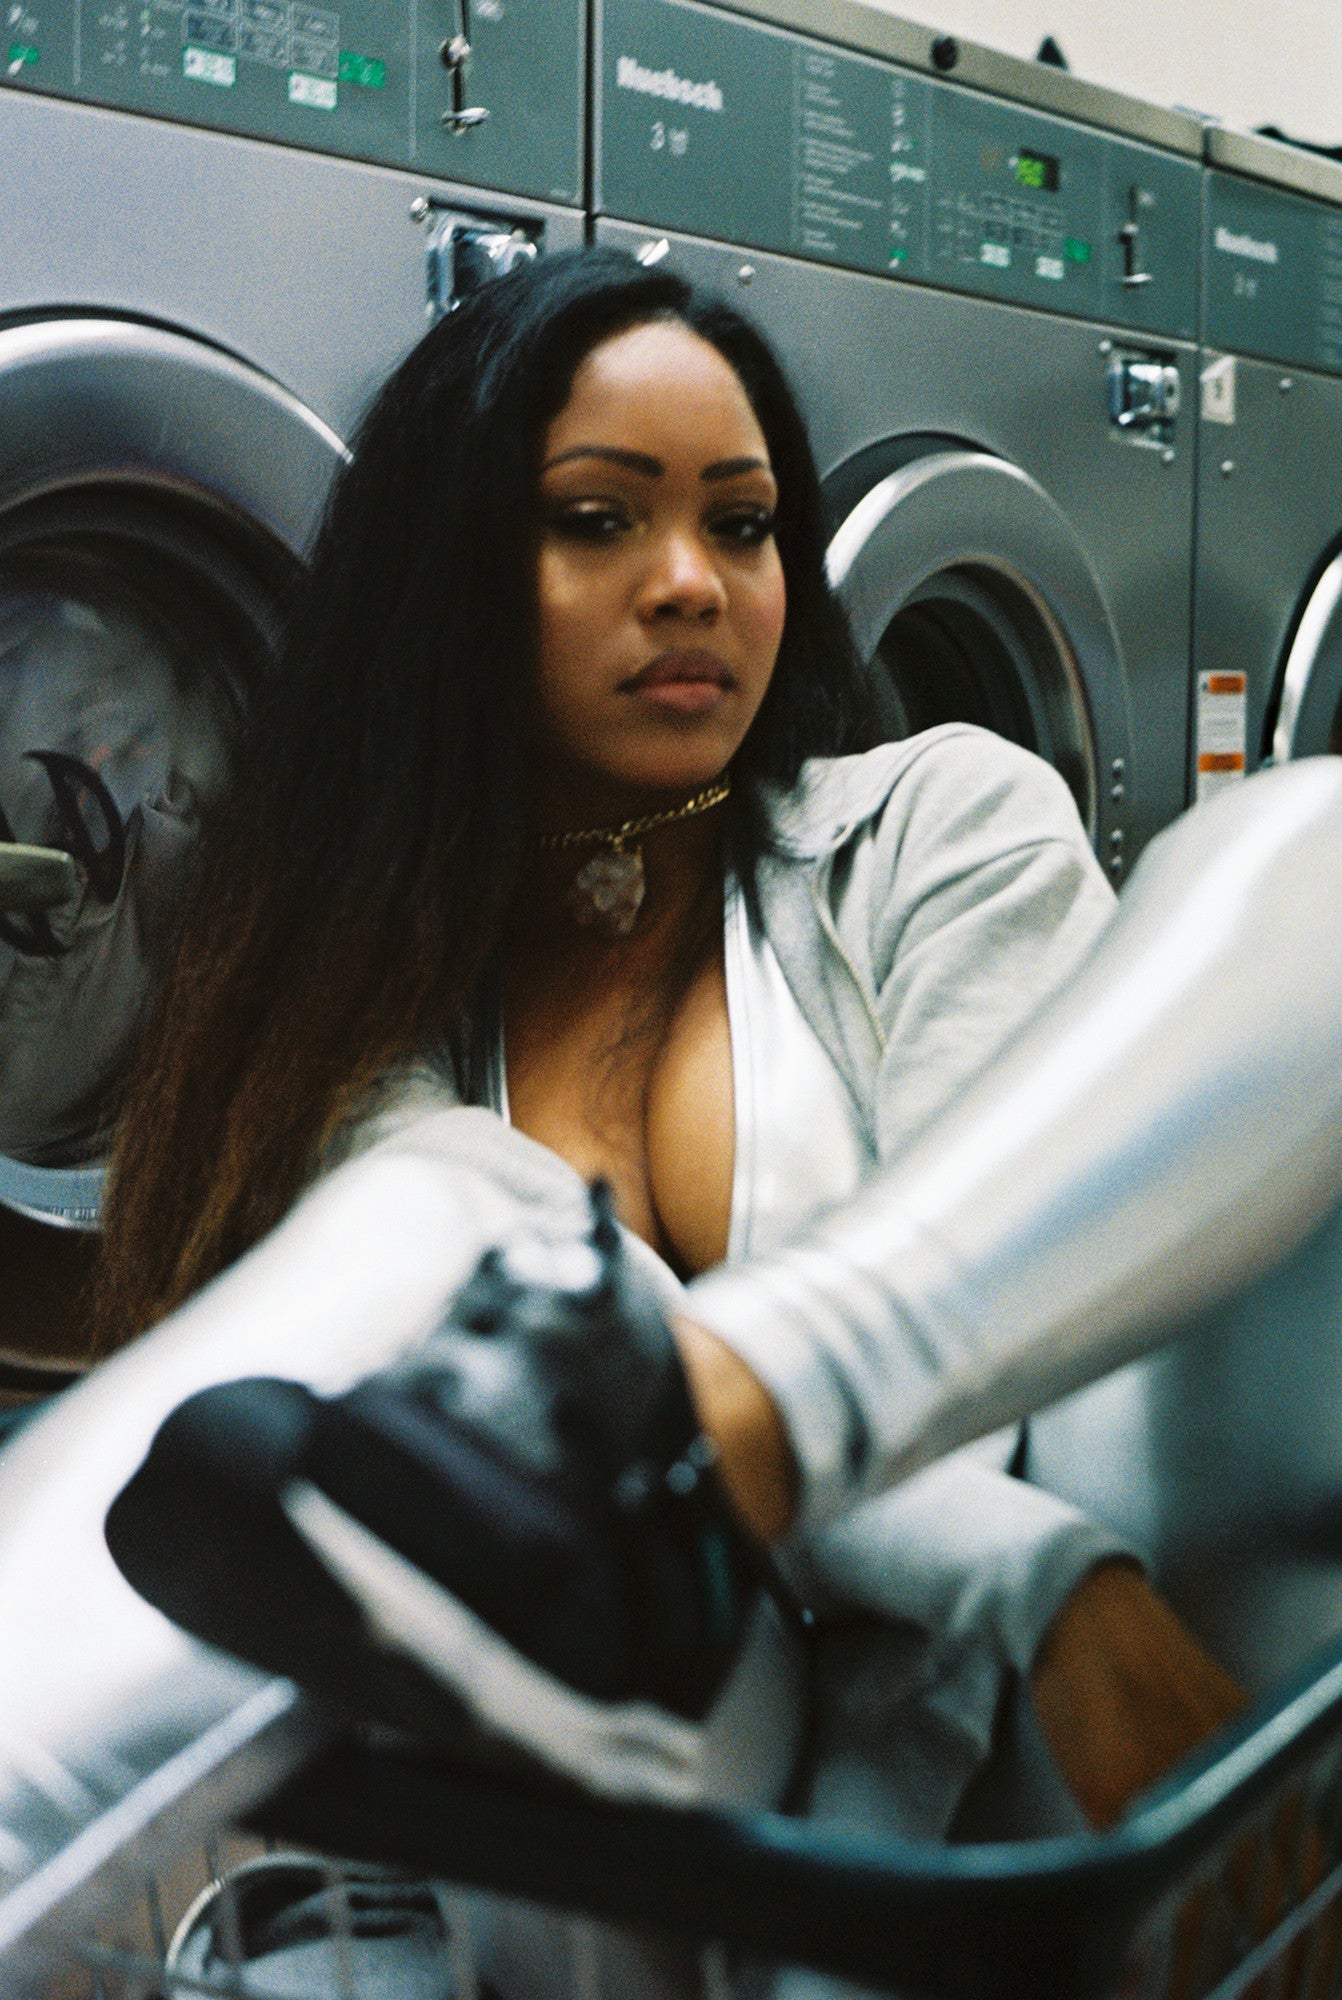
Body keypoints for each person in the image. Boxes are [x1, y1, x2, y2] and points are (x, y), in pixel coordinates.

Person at [95, 247, 1243, 1844]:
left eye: (742, 521)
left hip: (978, 1760)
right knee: (447, 1221)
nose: (693, 580)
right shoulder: (363, 989)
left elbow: (990, 1358)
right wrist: (1034, 1585)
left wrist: (1025, 1595)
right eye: (595, 519)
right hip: (619, 1767)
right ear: (453, 573)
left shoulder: (936, 831)